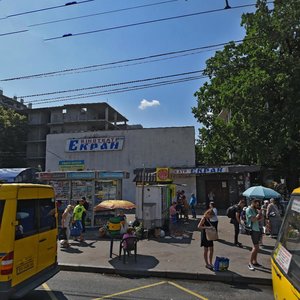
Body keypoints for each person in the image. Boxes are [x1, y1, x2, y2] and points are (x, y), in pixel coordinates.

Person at [246, 198, 263, 271]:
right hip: (253, 230)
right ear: (253, 202)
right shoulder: (249, 210)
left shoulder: (255, 210)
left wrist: (260, 214)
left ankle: (255, 261)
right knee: (255, 247)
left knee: (257, 247)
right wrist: (258, 214)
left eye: (258, 204)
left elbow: (259, 219)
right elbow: (253, 220)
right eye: (256, 203)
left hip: (257, 229)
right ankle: (250, 263)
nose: (257, 205)